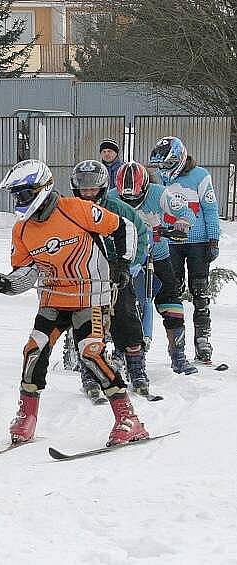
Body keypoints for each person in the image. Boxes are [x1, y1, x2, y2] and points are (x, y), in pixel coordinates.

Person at [0, 159, 148, 446]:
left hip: (90, 296)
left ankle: (128, 418)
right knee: (34, 350)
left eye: (23, 193)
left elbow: (124, 228)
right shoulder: (21, 230)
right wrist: (5, 284)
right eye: (15, 194)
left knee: (90, 352)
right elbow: (26, 272)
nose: (19, 200)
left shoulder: (75, 209)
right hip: (53, 298)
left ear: (42, 189)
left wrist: (122, 263)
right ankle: (26, 418)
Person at [69, 160, 150, 398]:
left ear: (102, 188)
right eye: (84, 190)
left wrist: (129, 265)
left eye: (93, 189)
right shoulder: (69, 210)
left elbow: (139, 235)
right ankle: (90, 373)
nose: (88, 194)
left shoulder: (119, 209)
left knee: (127, 319)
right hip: (84, 278)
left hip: (117, 275)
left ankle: (136, 369)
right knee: (89, 326)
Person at [113, 160, 198, 375]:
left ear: (144, 187)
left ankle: (178, 355)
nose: (131, 201)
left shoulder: (160, 193)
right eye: (126, 197)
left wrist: (183, 222)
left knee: (171, 302)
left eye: (136, 197)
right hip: (126, 258)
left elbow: (185, 210)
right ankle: (114, 352)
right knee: (114, 302)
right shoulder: (112, 197)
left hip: (157, 255)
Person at [149, 137, 221, 363]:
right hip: (170, 243)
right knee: (173, 292)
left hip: (198, 242)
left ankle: (203, 340)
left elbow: (210, 208)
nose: (164, 169)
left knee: (200, 291)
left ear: (180, 158)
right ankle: (176, 342)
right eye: (161, 165)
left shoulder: (200, 176)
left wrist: (214, 239)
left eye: (168, 164)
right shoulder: (158, 178)